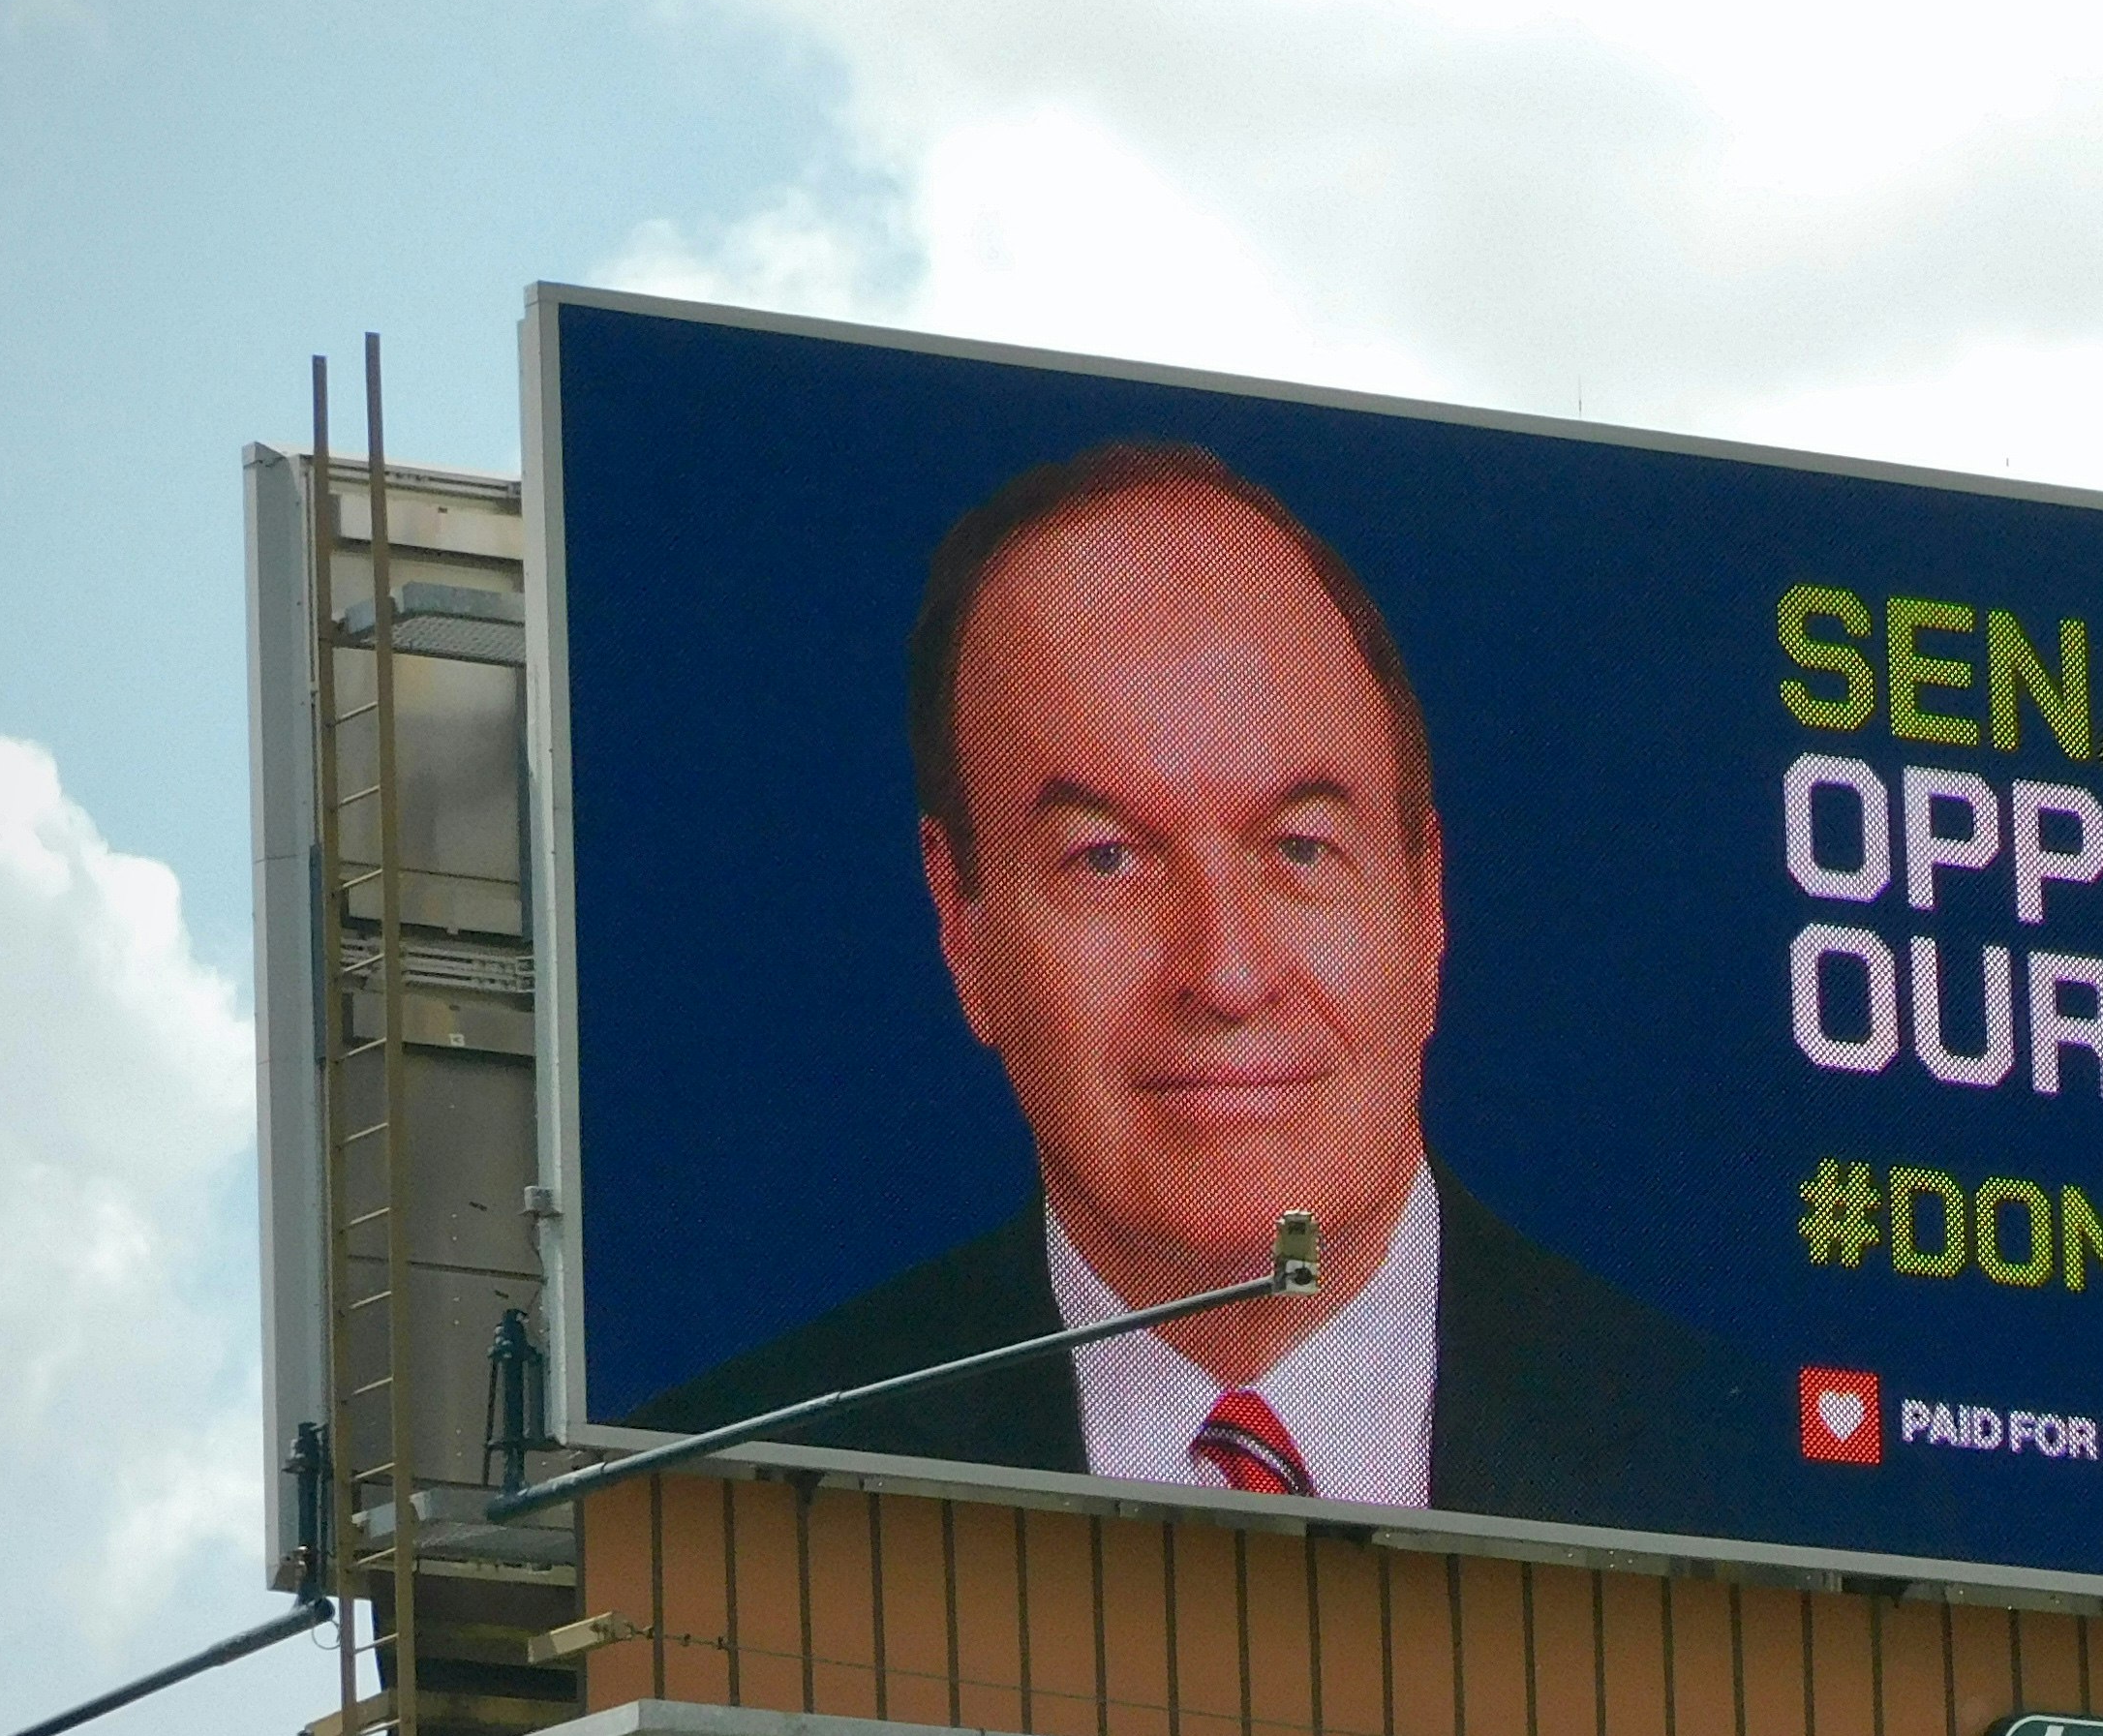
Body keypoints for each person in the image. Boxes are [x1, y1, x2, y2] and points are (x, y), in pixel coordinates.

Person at [634, 439, 1752, 1525]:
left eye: (1301, 849)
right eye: (1106, 859)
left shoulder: (1741, 1457)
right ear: (963, 923)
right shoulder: (727, 1476)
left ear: (1427, 905)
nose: (1226, 974)